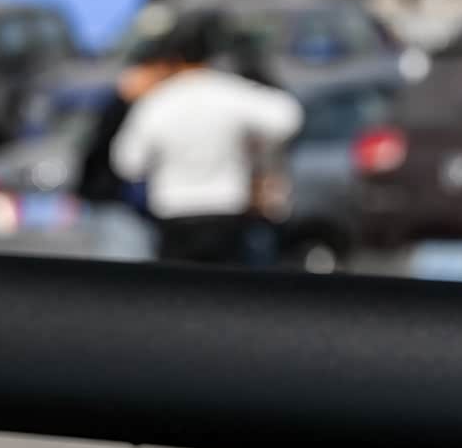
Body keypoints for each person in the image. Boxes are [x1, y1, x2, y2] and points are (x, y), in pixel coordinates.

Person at [110, 15, 303, 265]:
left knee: (180, 287)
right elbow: (288, 117)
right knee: (227, 286)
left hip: (174, 213)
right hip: (227, 210)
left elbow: (127, 163)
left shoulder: (157, 102)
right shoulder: (229, 92)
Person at [75, 34, 173, 261]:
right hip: (117, 203)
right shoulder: (125, 104)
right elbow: (118, 158)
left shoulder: (138, 103)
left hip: (124, 204)